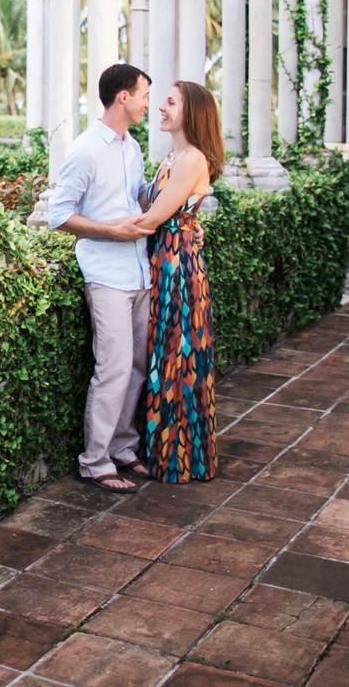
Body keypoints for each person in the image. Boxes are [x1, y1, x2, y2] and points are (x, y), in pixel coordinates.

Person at [50, 64, 157, 493]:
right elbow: (59, 215)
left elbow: (139, 196)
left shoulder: (133, 148)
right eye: (144, 94)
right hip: (106, 276)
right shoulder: (86, 149)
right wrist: (112, 230)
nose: (149, 103)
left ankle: (123, 446)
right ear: (123, 97)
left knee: (137, 366)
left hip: (140, 271)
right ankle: (94, 461)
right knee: (111, 369)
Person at [119, 80, 223, 484]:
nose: (160, 107)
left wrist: (86, 230)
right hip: (165, 260)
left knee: (177, 359)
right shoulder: (173, 155)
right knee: (165, 357)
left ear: (191, 112)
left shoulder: (192, 159)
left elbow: (152, 219)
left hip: (177, 268)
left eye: (170, 102)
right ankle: (165, 452)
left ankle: (179, 458)